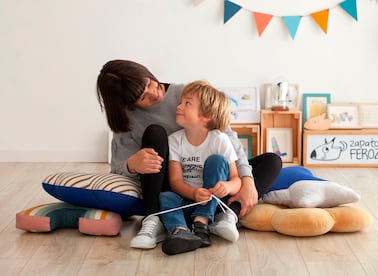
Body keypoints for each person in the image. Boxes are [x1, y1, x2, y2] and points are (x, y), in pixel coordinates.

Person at [96, 60, 282, 250]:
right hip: (175, 184)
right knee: (155, 133)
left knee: (272, 161)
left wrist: (247, 181)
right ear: (128, 104)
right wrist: (132, 164)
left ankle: (227, 214)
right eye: (143, 96)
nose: (154, 92)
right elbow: (118, 171)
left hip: (214, 180)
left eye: (149, 82)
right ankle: (153, 219)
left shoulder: (187, 94)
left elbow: (229, 140)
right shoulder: (128, 121)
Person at [159, 80, 241, 255]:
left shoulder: (219, 140)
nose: (179, 106)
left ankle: (201, 222)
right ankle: (181, 232)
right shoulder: (174, 140)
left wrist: (226, 187)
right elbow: (175, 181)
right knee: (166, 196)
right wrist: (194, 194)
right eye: (181, 102)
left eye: (187, 103)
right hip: (188, 199)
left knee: (217, 161)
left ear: (207, 115)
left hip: (213, 203)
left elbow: (236, 180)